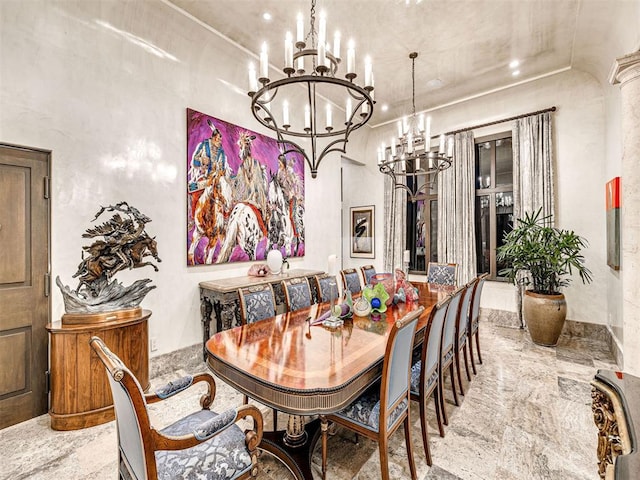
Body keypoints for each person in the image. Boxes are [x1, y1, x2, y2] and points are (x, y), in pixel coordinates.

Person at [188, 119, 228, 192]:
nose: (219, 141)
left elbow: (222, 168)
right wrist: (202, 161)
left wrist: (221, 172)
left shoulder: (221, 151)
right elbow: (194, 161)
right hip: (204, 177)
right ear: (214, 138)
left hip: (217, 180)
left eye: (220, 139)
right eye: (218, 139)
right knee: (193, 190)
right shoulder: (204, 145)